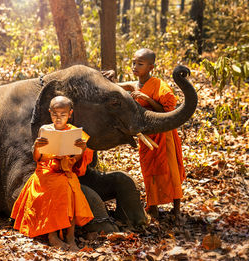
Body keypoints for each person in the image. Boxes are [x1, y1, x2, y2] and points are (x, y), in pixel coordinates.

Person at [109, 48, 186, 224]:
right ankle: (153, 207)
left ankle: (177, 210)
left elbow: (168, 111)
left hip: (164, 135)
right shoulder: (134, 85)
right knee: (149, 170)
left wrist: (148, 99)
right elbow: (115, 88)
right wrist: (109, 77)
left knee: (170, 170)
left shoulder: (159, 86)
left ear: (151, 67)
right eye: (134, 62)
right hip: (147, 135)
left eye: (140, 64)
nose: (135, 67)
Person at [11, 96, 94, 251]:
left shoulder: (76, 133)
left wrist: (80, 150)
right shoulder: (45, 130)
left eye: (63, 115)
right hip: (46, 171)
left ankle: (70, 236)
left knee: (71, 188)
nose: (58, 118)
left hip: (65, 170)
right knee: (56, 187)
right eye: (55, 114)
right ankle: (53, 236)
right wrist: (36, 147)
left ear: (70, 114)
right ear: (50, 113)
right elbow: (38, 158)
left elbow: (76, 161)